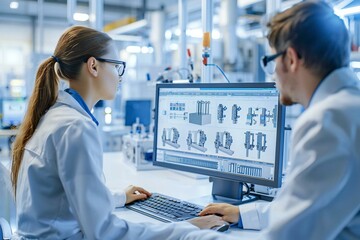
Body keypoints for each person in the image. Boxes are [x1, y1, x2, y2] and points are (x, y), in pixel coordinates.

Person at [10, 26, 224, 239]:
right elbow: (105, 233)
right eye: (117, 66)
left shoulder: (57, 116)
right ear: (93, 66)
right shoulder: (76, 127)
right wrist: (186, 228)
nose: (120, 77)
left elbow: (69, 198)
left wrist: (118, 197)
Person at [183, 1, 360, 239]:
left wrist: (186, 233)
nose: (274, 73)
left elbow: (287, 235)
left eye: (271, 61)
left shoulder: (327, 121)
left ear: (291, 59)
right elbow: (314, 204)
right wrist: (245, 214)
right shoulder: (348, 107)